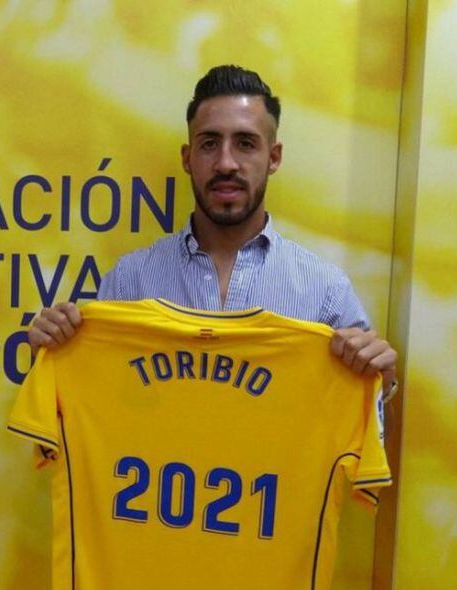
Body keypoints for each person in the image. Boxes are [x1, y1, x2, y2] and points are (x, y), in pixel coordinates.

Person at [28, 65, 398, 393]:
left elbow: (365, 427)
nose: (225, 163)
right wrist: (55, 357)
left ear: (274, 158)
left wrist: (382, 380)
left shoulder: (325, 293)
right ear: (188, 159)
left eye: (245, 144)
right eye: (209, 144)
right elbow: (89, 406)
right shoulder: (129, 282)